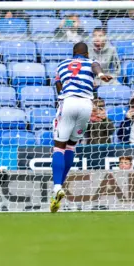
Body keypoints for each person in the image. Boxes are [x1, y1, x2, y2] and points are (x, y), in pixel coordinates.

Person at [49, 42, 112, 213]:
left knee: (59, 147)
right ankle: (59, 186)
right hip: (86, 105)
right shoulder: (90, 62)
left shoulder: (62, 65)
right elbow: (95, 66)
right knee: (71, 146)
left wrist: (63, 98)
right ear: (86, 53)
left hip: (68, 102)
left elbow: (58, 85)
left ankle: (56, 187)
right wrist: (101, 75)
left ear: (73, 52)